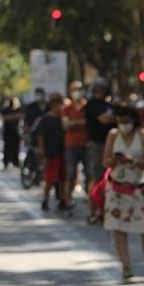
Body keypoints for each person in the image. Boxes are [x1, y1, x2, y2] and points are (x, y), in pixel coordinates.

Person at [102, 105, 144, 279]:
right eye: (120, 121)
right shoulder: (113, 135)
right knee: (119, 228)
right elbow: (105, 161)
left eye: (127, 122)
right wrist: (114, 160)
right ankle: (126, 267)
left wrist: (132, 161)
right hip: (117, 188)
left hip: (139, 188)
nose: (123, 125)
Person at [85, 79, 115, 224]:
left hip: (110, 144)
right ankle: (92, 211)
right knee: (95, 178)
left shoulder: (108, 104)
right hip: (97, 145)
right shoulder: (92, 104)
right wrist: (110, 118)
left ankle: (103, 211)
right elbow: (104, 120)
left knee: (108, 180)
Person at [35, 94, 67, 213]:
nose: (59, 106)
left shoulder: (64, 118)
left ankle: (63, 200)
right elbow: (41, 137)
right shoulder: (45, 120)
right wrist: (43, 154)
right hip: (51, 153)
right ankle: (45, 199)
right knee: (50, 179)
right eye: (57, 103)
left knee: (64, 178)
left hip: (63, 152)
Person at [62, 81, 88, 211]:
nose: (77, 92)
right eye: (74, 89)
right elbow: (66, 125)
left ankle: (90, 199)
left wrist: (75, 123)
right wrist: (81, 123)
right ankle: (68, 199)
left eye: (79, 89)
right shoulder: (67, 108)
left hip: (86, 144)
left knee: (89, 172)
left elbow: (89, 123)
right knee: (70, 173)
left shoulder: (87, 106)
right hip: (71, 145)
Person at [0, 97, 22, 168]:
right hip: (8, 133)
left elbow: (21, 116)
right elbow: (5, 118)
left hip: (16, 132)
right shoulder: (6, 110)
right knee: (7, 148)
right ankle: (6, 162)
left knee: (16, 149)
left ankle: (15, 162)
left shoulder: (18, 110)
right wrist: (14, 116)